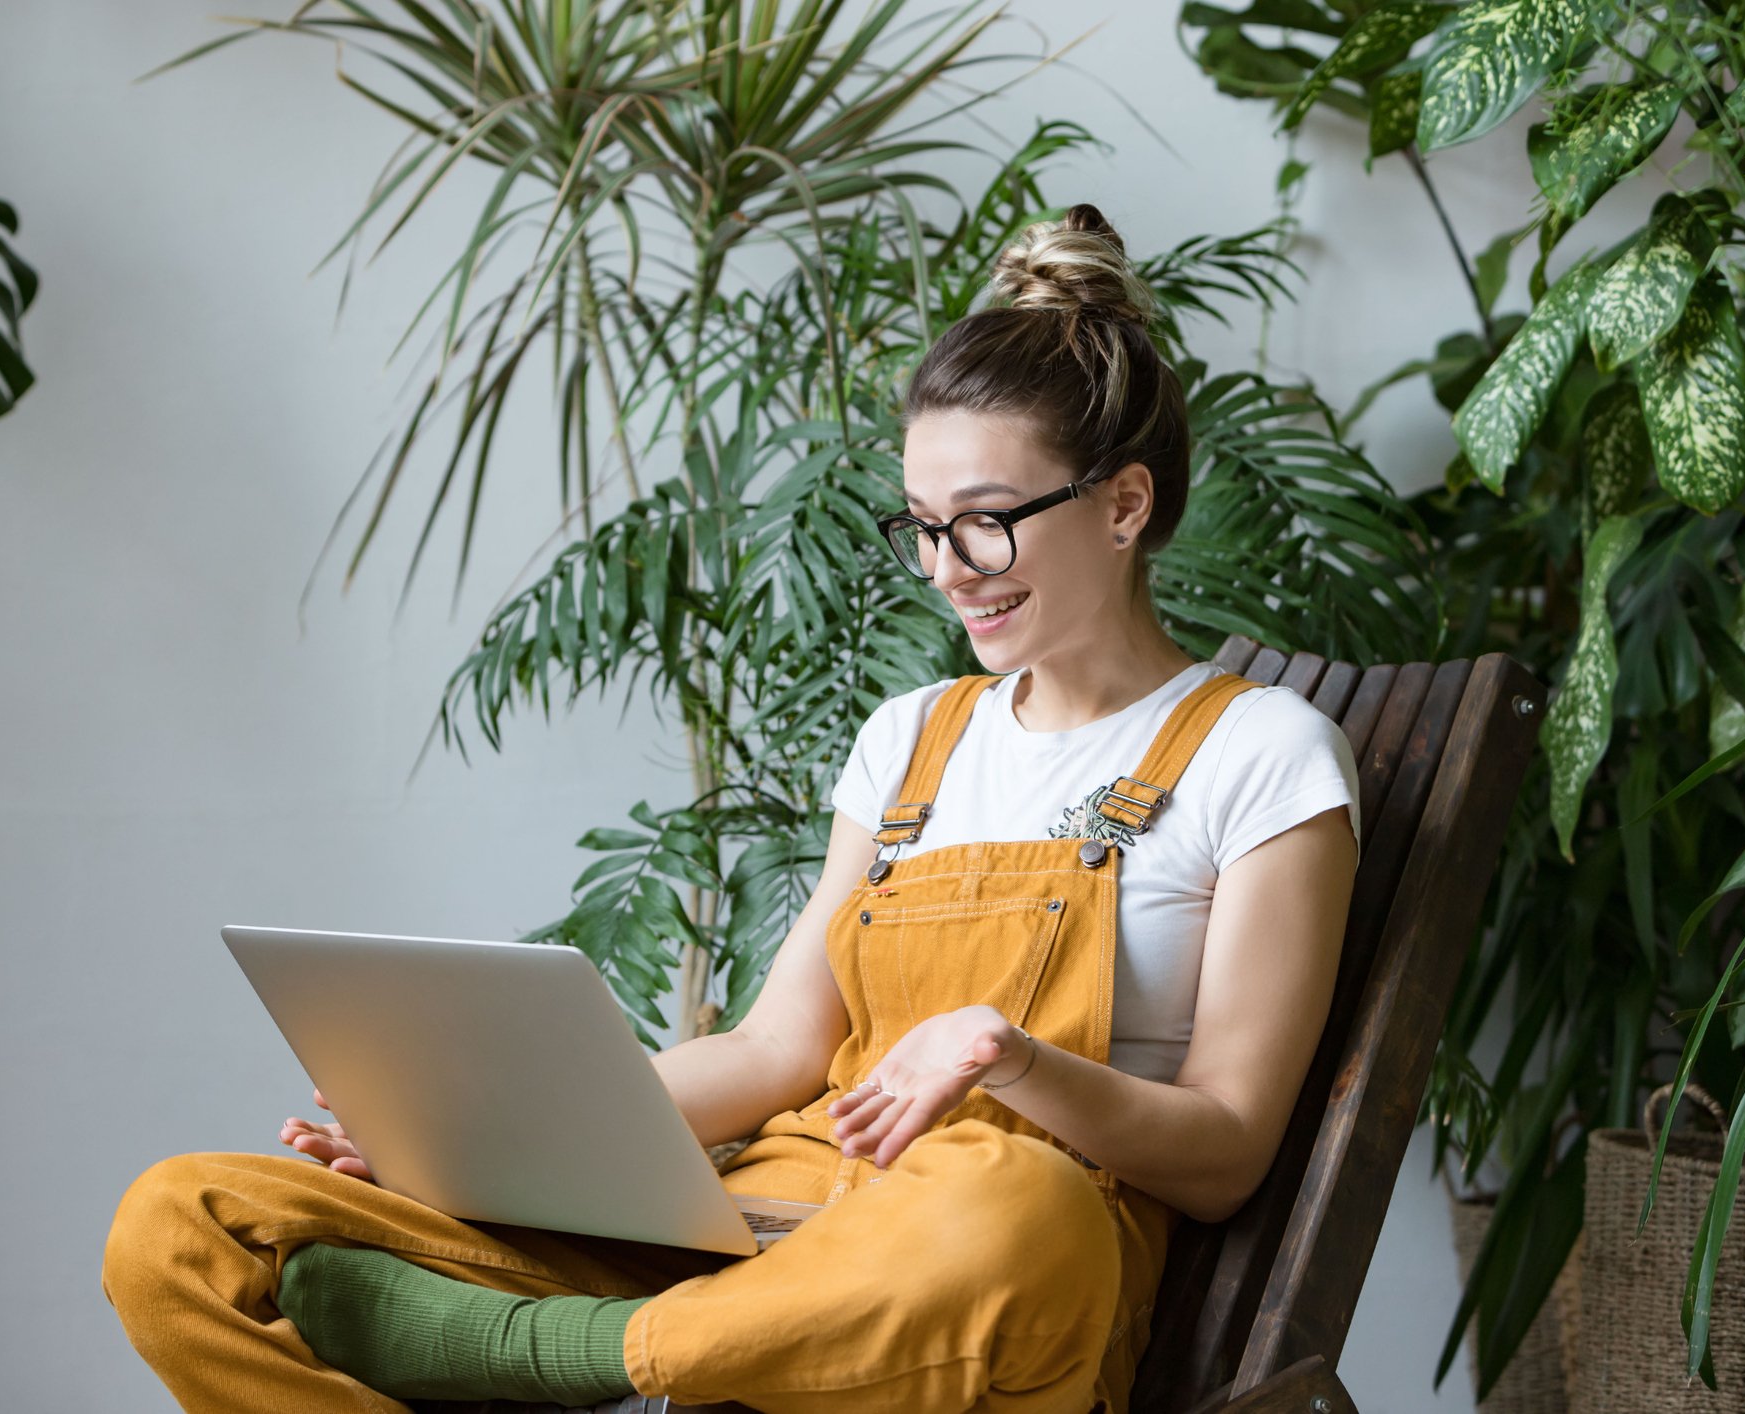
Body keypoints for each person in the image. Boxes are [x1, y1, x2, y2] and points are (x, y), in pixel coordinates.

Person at [102, 203, 1362, 1414]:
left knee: (1008, 1199)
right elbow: (775, 1053)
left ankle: (565, 1357)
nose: (945, 574)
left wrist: (1014, 1063)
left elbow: (1226, 1150)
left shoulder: (1261, 757)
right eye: (920, 529)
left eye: (983, 526)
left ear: (1125, 505)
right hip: (777, 1232)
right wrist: (466, 1144)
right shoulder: (910, 740)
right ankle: (667, 1353)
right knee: (184, 1221)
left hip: (981, 1268)